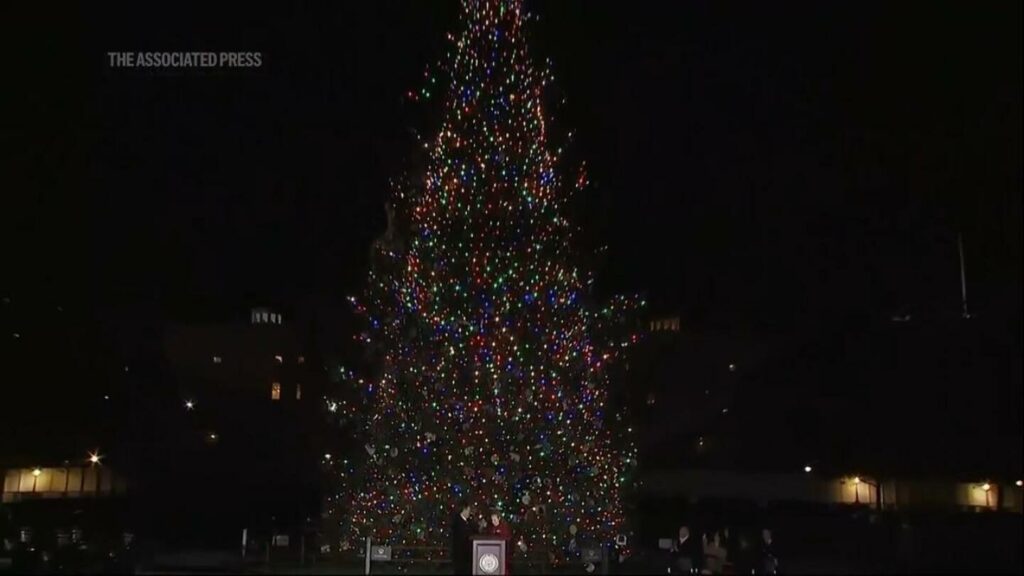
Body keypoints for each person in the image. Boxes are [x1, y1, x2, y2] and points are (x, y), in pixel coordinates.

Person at [451, 499, 476, 575]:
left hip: (465, 556)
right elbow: (465, 536)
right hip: (461, 556)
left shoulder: (466, 521)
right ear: (464, 510)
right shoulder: (458, 522)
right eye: (468, 510)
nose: (469, 512)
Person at [489, 509, 512, 574]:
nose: (493, 522)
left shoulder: (504, 527)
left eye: (495, 520)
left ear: (499, 518)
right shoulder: (492, 528)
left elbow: (507, 539)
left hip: (503, 554)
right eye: (492, 520)